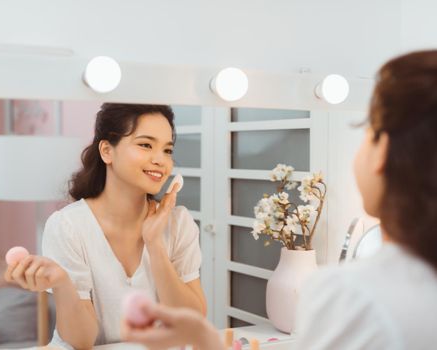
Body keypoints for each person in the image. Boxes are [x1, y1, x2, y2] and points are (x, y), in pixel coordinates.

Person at [122, 50, 437, 350]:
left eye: (366, 132)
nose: (160, 160)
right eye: (145, 145)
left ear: (382, 151)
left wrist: (207, 342)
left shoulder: (353, 295)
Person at [4, 103, 206, 349]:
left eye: (167, 150)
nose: (160, 160)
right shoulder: (68, 226)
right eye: (145, 145)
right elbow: (81, 340)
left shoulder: (177, 223)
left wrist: (155, 246)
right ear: (107, 151)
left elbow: (191, 324)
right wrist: (62, 284)